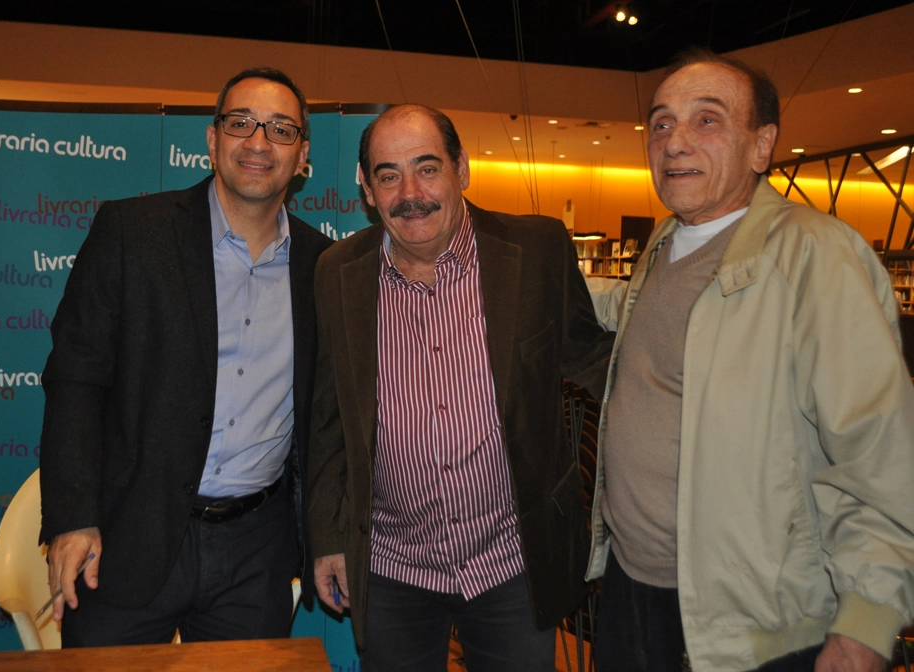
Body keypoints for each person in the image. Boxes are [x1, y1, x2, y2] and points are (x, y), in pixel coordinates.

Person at [588, 49, 914, 672]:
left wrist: (867, 623)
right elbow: (631, 312)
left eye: (705, 120)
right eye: (660, 124)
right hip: (634, 588)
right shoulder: (664, 242)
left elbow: (879, 451)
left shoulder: (815, 256)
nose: (675, 141)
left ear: (761, 146)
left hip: (754, 623)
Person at [306, 104, 614, 671]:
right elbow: (329, 417)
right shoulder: (338, 272)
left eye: (427, 168)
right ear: (368, 192)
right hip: (393, 568)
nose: (410, 192)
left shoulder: (537, 249)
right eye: (388, 175)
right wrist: (328, 535)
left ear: (462, 170)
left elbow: (593, 357)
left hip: (510, 564)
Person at [39, 67, 333, 646]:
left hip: (257, 551)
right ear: (212, 138)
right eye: (240, 122)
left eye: (280, 129)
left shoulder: (324, 270)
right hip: (127, 539)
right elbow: (75, 381)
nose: (257, 142)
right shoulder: (131, 232)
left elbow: (328, 423)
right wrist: (73, 516)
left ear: (302, 156)